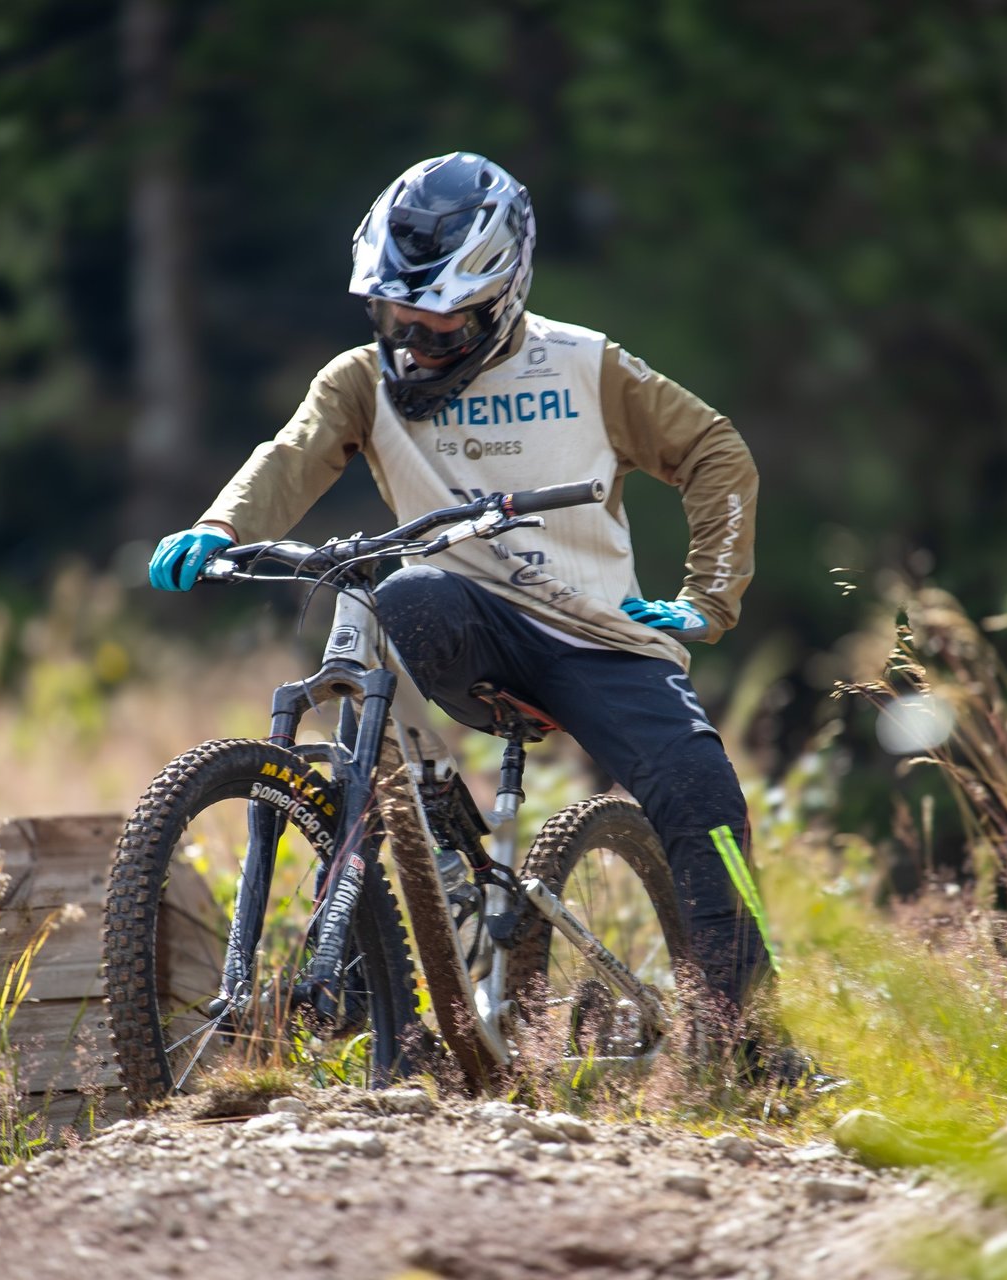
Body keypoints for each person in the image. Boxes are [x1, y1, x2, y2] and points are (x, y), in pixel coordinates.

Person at [149, 151, 772, 1038]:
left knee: (702, 794)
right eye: (392, 319)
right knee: (401, 596)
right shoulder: (359, 381)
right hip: (461, 613)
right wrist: (221, 526)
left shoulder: (586, 368)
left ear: (502, 298)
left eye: (436, 330)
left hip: (595, 633)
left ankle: (746, 1039)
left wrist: (705, 599)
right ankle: (427, 863)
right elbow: (290, 456)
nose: (410, 344)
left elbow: (716, 452)